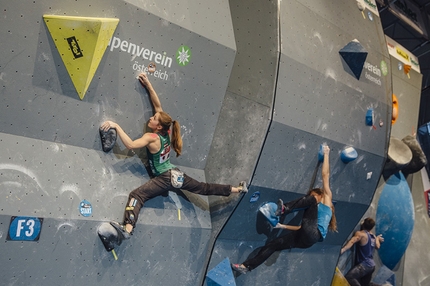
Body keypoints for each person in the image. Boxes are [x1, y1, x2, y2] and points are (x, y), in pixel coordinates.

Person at [101, 72, 248, 239]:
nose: (151, 117)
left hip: (165, 178)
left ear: (157, 127)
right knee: (203, 187)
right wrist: (148, 84)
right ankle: (237, 188)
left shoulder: (152, 138)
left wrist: (116, 125)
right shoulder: (166, 131)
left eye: (154, 118)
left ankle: (127, 230)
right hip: (176, 174)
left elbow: (130, 145)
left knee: (137, 195)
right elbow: (158, 106)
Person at [231, 145, 337, 274]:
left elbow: (325, 176)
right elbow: (301, 228)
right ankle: (247, 266)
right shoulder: (315, 219)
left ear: (321, 195)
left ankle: (284, 209)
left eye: (315, 195)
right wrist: (282, 226)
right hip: (306, 240)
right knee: (273, 245)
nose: (312, 197)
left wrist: (326, 154)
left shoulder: (326, 200)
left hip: (311, 234)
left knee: (311, 201)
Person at [341, 217, 384, 286]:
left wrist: (343, 249)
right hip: (372, 266)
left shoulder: (360, 234)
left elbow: (352, 241)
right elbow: (377, 246)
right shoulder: (373, 236)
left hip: (364, 265)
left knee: (350, 277)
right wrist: (378, 239)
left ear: (363, 224)